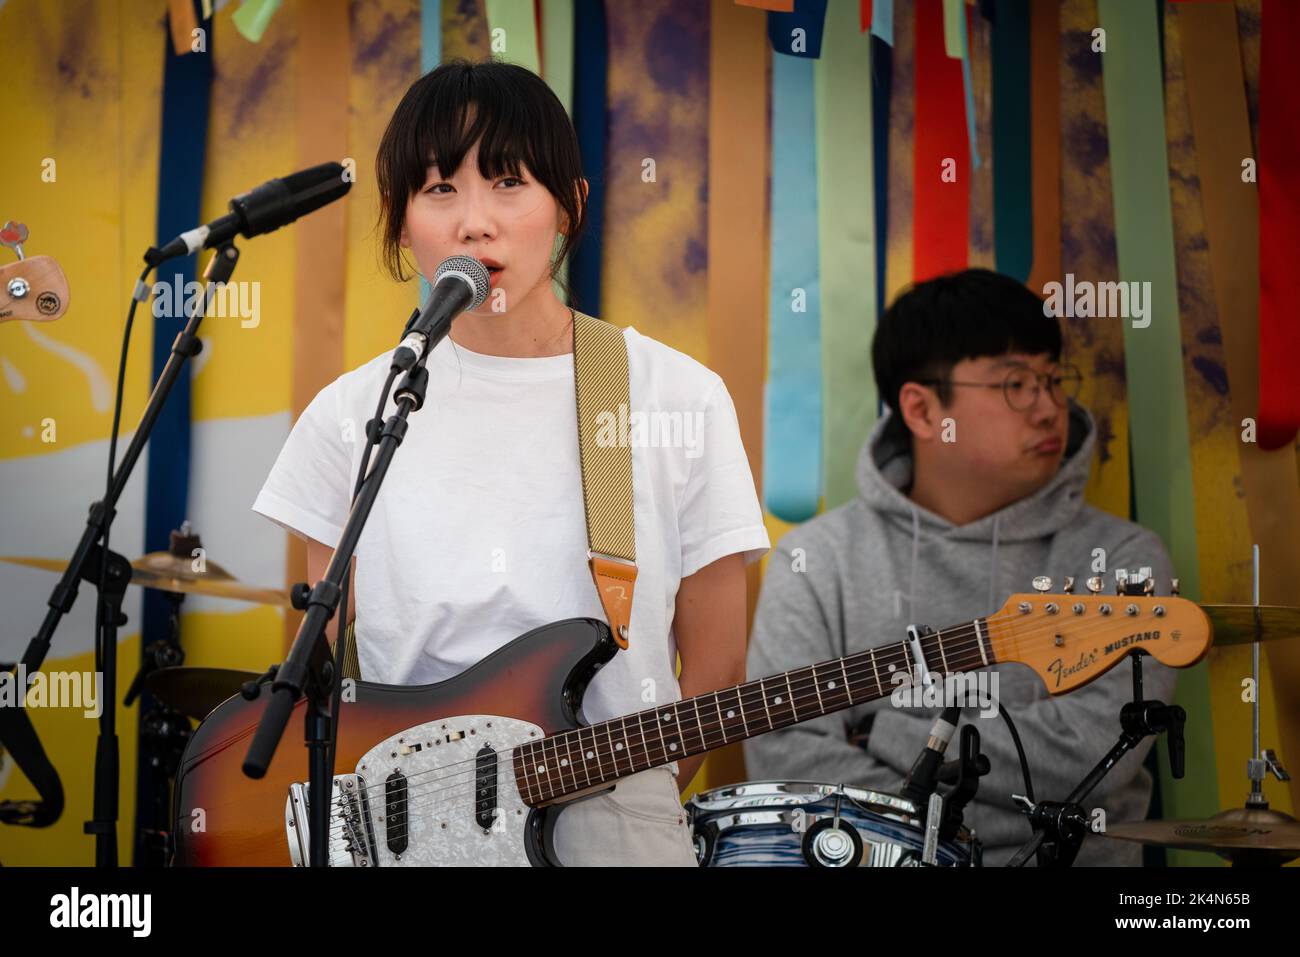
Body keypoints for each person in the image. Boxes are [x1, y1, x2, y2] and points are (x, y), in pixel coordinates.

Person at [252, 59, 769, 866]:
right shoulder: (353, 414)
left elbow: (716, 662)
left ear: (571, 204)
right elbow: (333, 656)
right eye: (439, 190)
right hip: (407, 827)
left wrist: (626, 797)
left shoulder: (676, 396)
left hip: (613, 811)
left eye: (508, 183)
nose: (475, 223)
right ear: (398, 221)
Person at [743, 268, 1176, 866]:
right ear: (922, 410)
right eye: (1016, 384)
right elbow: (789, 762)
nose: (1050, 408)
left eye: (1052, 379)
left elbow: (1096, 761)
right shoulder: (815, 559)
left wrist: (882, 732)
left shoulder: (1122, 562)